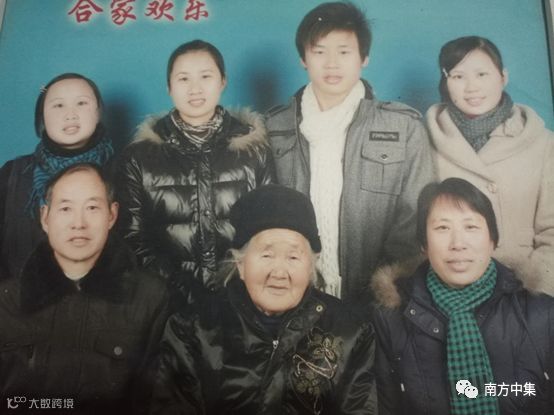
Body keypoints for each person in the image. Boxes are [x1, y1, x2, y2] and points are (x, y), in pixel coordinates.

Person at [150, 184, 377, 414]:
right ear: (240, 264)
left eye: (293, 257)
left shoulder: (351, 334)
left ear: (311, 267)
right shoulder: (191, 330)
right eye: (267, 255)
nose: (279, 272)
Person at [265, 1, 434, 301]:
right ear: (303, 58)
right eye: (319, 52)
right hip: (294, 294)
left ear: (364, 57)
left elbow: (415, 215)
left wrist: (383, 289)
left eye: (344, 52)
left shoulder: (403, 127)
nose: (332, 64)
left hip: (378, 298)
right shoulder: (275, 126)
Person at [371, 178, 554, 415]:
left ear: (492, 240)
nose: (458, 244)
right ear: (424, 243)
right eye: (442, 228)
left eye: (471, 227)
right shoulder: (390, 320)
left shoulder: (542, 315)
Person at [116, 40, 274, 309]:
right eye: (183, 79)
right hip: (167, 304)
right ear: (169, 87)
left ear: (222, 81)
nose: (195, 88)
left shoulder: (253, 150)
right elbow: (132, 240)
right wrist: (180, 291)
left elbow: (269, 229)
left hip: (243, 302)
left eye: (205, 76)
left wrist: (237, 286)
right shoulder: (139, 157)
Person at [0, 163, 169, 413]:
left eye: (92, 208)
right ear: (45, 217)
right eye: (66, 208)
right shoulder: (6, 302)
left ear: (112, 215)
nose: (78, 223)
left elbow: (160, 400)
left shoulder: (150, 298)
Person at [426, 35, 554, 296]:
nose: (472, 87)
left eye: (482, 74)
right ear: (446, 82)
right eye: (458, 76)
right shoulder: (423, 140)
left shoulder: (543, 143)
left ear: (503, 77)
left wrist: (535, 296)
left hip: (525, 294)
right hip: (447, 294)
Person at [0, 73, 114, 280]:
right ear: (42, 117)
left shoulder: (122, 170)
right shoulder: (13, 173)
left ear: (98, 112)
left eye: (81, 103)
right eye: (58, 105)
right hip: (22, 296)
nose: (70, 115)